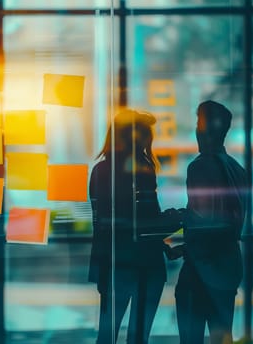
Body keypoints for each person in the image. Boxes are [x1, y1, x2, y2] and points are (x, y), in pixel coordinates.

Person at [88, 108, 182, 344]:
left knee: (106, 336)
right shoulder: (142, 170)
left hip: (114, 264)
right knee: (139, 337)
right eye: (144, 136)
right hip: (145, 264)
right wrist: (176, 219)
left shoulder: (100, 171)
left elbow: (104, 225)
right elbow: (146, 222)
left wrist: (100, 271)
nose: (147, 142)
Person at [175, 100, 248, 344]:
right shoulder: (237, 168)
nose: (196, 130)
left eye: (199, 123)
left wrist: (176, 216)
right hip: (228, 266)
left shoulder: (200, 166)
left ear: (207, 129)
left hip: (201, 269)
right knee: (222, 336)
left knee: (190, 338)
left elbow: (204, 217)